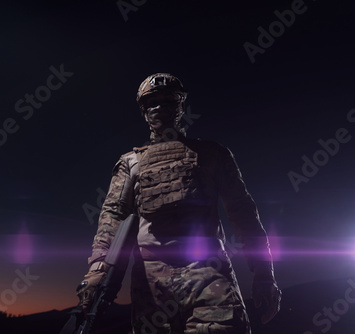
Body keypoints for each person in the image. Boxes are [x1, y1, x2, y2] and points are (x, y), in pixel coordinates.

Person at [77, 73, 281, 333]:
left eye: (168, 101)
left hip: (208, 274)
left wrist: (264, 274)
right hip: (150, 283)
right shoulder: (131, 163)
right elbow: (112, 217)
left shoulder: (212, 155)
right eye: (152, 102)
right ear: (143, 110)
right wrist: (97, 272)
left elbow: (244, 215)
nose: (160, 108)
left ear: (181, 106)